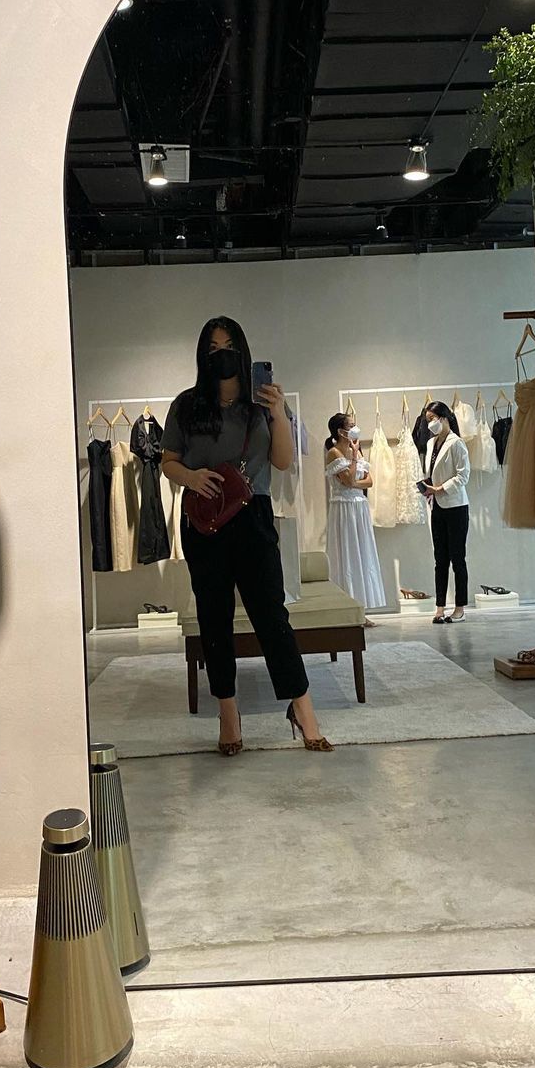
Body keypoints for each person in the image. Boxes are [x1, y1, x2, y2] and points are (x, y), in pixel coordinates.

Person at [162, 317, 332, 754]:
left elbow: (282, 461)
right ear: (203, 355)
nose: (221, 355)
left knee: (271, 615)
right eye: (212, 348)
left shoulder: (262, 404)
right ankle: (228, 713)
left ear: (243, 351)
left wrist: (277, 412)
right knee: (213, 617)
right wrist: (191, 477)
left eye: (228, 346)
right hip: (204, 519)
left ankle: (303, 708)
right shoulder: (187, 405)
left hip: (253, 515)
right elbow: (168, 461)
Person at [324, 414, 386, 616]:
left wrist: (353, 481)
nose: (355, 428)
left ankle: (362, 608)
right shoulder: (333, 453)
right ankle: (347, 609)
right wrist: (353, 459)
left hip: (359, 507)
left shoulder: (357, 452)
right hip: (344, 508)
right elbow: (349, 480)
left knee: (363, 552)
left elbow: (369, 482)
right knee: (347, 553)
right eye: (351, 426)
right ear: (340, 431)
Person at [421, 401, 471, 624]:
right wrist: (427, 487)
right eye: (428, 420)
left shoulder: (456, 443)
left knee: (457, 558)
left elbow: (463, 476)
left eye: (432, 419)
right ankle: (440, 607)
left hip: (456, 506)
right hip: (437, 506)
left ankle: (460, 607)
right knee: (440, 559)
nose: (430, 423)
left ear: (444, 418)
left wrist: (440, 488)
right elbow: (432, 471)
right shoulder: (431, 443)